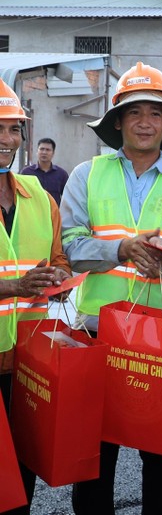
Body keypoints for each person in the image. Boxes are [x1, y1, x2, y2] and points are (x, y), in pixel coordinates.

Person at [61, 61, 162, 515]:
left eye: (154, 113)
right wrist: (123, 249)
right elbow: (70, 248)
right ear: (118, 122)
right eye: (134, 113)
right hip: (96, 335)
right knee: (94, 459)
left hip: (161, 342)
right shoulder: (86, 175)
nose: (144, 122)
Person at [0, 81, 71, 515]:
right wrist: (12, 287)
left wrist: (58, 274)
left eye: (13, 129)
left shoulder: (41, 200)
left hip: (26, 361)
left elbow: (58, 259)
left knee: (20, 479)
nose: (5, 140)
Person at [20, 137, 69, 206]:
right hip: (32, 213)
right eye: (41, 149)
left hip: (53, 214)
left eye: (48, 150)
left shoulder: (61, 174)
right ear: (37, 151)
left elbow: (67, 197)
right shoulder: (26, 173)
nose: (44, 152)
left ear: (53, 153)